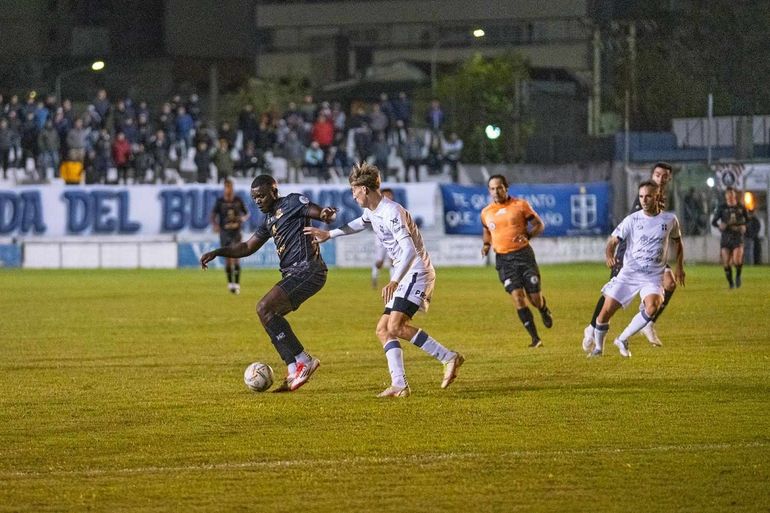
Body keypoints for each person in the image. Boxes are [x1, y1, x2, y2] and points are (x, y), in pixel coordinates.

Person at [304, 162, 464, 398]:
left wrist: (394, 280)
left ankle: (448, 357)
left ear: (364, 189)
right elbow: (360, 223)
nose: (353, 195)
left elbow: (410, 251)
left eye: (354, 191)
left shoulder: (391, 212)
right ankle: (399, 384)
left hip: (416, 272)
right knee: (383, 330)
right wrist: (330, 234)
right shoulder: (373, 210)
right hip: (405, 273)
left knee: (395, 326)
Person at [200, 175, 337, 392]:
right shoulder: (269, 220)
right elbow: (247, 247)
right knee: (269, 316)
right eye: (255, 197)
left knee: (264, 307)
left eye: (262, 196)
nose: (258, 201)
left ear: (274, 191)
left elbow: (319, 212)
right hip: (294, 273)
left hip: (308, 269)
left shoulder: (292, 202)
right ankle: (292, 369)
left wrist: (325, 214)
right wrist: (218, 252)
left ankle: (304, 360)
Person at [584, 180, 685, 358]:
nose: (644, 200)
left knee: (653, 306)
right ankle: (598, 349)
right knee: (605, 313)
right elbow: (613, 241)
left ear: (657, 197)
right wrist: (609, 255)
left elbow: (678, 242)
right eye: (641, 196)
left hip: (653, 276)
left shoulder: (670, 220)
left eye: (648, 196)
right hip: (629, 274)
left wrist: (680, 267)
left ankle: (622, 339)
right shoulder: (632, 220)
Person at [481, 174, 553, 348]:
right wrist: (486, 245)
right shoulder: (486, 212)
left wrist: (528, 235)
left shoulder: (520, 205)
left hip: (524, 256)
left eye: (499, 188)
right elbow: (487, 231)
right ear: (489, 191)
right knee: (518, 297)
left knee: (535, 298)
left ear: (506, 188)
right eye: (492, 189)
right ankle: (535, 339)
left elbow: (539, 225)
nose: (496, 192)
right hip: (504, 261)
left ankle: (543, 309)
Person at [210, 179, 250, 294]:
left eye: (230, 187)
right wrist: (215, 225)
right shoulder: (220, 201)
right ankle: (230, 283)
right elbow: (212, 215)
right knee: (228, 258)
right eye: (227, 187)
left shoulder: (238, 200)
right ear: (224, 188)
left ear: (232, 187)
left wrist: (242, 218)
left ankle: (236, 284)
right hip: (225, 232)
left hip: (236, 232)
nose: (229, 189)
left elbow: (246, 213)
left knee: (236, 256)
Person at [711, 186, 749, 288]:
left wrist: (744, 226)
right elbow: (714, 222)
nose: (730, 196)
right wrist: (720, 226)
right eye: (728, 194)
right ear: (726, 196)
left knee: (737, 260)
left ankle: (738, 276)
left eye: (732, 194)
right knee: (726, 263)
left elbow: (748, 220)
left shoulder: (741, 207)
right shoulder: (722, 207)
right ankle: (731, 284)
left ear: (734, 195)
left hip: (737, 236)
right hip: (726, 236)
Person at [371, 188, 395, 288]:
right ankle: (374, 276)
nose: (388, 197)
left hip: (392, 238)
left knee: (393, 260)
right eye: (385, 195)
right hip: (380, 239)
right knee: (380, 262)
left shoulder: (395, 208)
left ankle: (393, 283)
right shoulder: (376, 208)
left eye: (389, 195)